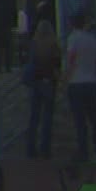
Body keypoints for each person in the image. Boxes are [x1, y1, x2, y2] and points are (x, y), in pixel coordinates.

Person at [63, 12, 96, 161]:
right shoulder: (92, 39)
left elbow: (71, 60)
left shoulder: (73, 38)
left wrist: (65, 78)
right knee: (95, 118)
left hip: (76, 82)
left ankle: (84, 151)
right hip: (91, 81)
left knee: (80, 120)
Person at [24, 20, 62, 160]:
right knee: (47, 117)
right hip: (49, 82)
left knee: (34, 117)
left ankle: (30, 148)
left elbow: (30, 62)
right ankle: (45, 148)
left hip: (36, 82)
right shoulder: (54, 45)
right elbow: (57, 64)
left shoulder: (34, 44)